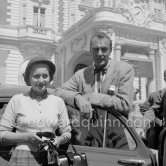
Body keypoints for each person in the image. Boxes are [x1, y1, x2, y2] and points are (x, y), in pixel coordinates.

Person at [54, 31, 134, 145]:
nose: (99, 53)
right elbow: (58, 92)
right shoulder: (81, 74)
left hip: (116, 136)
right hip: (89, 138)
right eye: (96, 49)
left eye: (104, 49)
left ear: (110, 50)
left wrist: (92, 97)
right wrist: (78, 98)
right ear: (90, 51)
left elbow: (125, 104)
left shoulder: (124, 69)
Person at [0, 57, 71, 166]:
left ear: (50, 78)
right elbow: (2, 134)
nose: (41, 80)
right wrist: (27, 137)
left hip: (50, 157)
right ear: (28, 78)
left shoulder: (58, 102)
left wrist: (59, 139)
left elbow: (67, 132)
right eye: (36, 76)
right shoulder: (17, 100)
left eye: (45, 76)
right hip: (22, 157)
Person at [140, 69, 166, 149]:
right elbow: (146, 109)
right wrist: (156, 120)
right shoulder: (157, 95)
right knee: (154, 134)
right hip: (159, 128)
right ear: (164, 78)